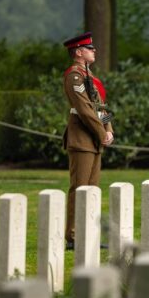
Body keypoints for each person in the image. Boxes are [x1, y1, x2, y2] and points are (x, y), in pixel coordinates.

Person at [62, 32, 114, 250]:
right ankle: (73, 234)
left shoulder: (89, 77)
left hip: (93, 139)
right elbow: (84, 109)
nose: (94, 51)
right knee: (80, 187)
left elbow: (101, 107)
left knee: (92, 188)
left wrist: (108, 129)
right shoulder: (74, 76)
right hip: (82, 138)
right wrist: (102, 133)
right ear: (78, 52)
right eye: (90, 49)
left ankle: (88, 232)